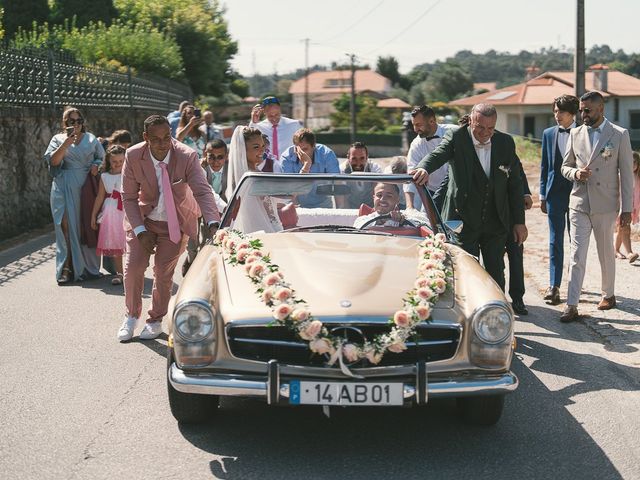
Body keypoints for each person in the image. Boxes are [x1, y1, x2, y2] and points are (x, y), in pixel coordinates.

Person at [118, 115, 220, 342]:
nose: (164, 143)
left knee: (163, 272)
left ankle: (155, 320)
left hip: (176, 222)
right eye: (156, 139)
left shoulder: (186, 156)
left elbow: (202, 191)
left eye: (167, 137)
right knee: (133, 268)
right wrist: (140, 230)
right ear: (146, 138)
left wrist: (213, 222)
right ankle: (131, 316)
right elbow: (129, 197)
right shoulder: (133, 155)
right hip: (143, 220)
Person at [412, 103, 527, 291]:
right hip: (462, 219)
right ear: (471, 120)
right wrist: (424, 168)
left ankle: (496, 311)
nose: (485, 133)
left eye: (490, 128)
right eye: (480, 127)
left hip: (495, 219)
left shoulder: (505, 142)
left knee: (495, 271)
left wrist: (519, 222)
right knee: (465, 269)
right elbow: (438, 154)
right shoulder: (457, 137)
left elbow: (515, 184)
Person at [559, 91, 634, 322]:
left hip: (606, 205)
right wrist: (575, 173)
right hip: (579, 202)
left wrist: (627, 209)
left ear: (601, 109)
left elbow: (626, 176)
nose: (583, 114)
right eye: (581, 110)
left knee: (605, 254)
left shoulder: (619, 134)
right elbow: (565, 166)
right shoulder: (575, 133)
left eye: (587, 110)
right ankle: (571, 305)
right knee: (576, 255)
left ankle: (608, 295)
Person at [44, 107, 105, 284]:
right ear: (65, 123)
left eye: (79, 121)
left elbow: (102, 158)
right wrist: (66, 144)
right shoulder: (57, 139)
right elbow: (54, 162)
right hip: (63, 186)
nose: (76, 124)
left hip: (85, 188)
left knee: (84, 226)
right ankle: (66, 268)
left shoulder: (92, 138)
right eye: (72, 121)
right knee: (64, 228)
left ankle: (87, 268)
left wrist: (96, 165)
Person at [539, 94, 579, 305]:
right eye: (555, 111)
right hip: (554, 193)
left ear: (572, 113)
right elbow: (544, 166)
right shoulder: (548, 134)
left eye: (561, 112)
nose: (557, 115)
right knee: (555, 240)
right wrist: (542, 195)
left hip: (578, 194)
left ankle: (575, 286)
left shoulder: (584, 133)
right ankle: (554, 286)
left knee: (576, 242)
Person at [225, 126, 283, 233]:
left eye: (262, 146)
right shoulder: (249, 176)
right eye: (256, 147)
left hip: (270, 227)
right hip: (256, 230)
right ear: (242, 150)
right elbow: (284, 195)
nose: (262, 150)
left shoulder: (255, 172)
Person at [404, 105, 456, 211]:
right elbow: (411, 175)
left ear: (432, 121)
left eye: (418, 125)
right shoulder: (416, 144)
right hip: (431, 193)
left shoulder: (455, 132)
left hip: (456, 192)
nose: (415, 129)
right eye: (413, 125)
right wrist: (410, 206)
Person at [90, 145, 126, 285]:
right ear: (108, 161)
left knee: (132, 242)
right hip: (111, 212)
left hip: (127, 208)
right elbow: (100, 196)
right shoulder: (104, 176)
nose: (118, 164)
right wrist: (94, 215)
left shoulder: (129, 173)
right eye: (114, 161)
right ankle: (120, 273)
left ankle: (135, 271)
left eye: (121, 161)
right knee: (117, 244)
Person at [281, 128, 340, 208]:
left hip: (323, 206)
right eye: (298, 149)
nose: (301, 154)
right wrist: (306, 165)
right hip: (298, 206)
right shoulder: (286, 158)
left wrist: (339, 210)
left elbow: (338, 184)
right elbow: (290, 191)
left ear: (314, 146)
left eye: (305, 149)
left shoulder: (327, 154)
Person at [339, 142, 383, 209]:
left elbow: (377, 193)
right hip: (350, 209)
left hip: (371, 208)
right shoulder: (341, 170)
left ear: (367, 157)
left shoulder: (375, 168)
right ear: (348, 157)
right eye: (354, 159)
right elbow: (343, 199)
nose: (358, 163)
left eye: (362, 158)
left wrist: (373, 213)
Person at [614, 151, 640, 263]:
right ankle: (629, 253)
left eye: (635, 162)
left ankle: (616, 250)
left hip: (632, 208)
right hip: (622, 207)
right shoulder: (621, 176)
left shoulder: (637, 177)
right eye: (630, 162)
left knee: (621, 230)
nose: (632, 164)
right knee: (626, 229)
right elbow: (616, 192)